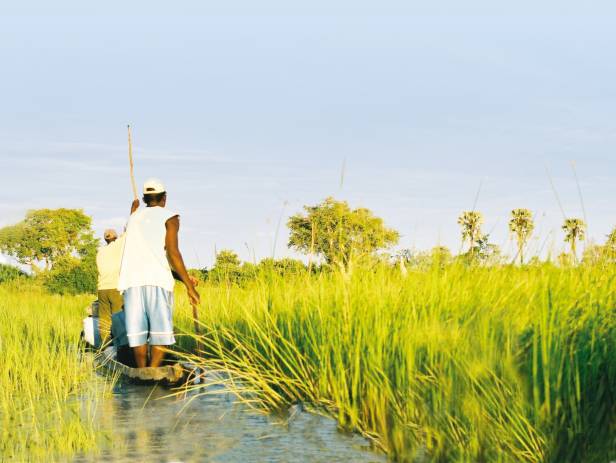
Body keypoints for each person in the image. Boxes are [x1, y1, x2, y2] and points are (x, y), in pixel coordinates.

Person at [117, 178, 200, 367]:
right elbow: (172, 253)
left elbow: (147, 254)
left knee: (137, 334)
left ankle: (141, 372)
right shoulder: (170, 217)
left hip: (132, 282)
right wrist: (189, 287)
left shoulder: (133, 219)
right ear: (164, 198)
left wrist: (133, 211)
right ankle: (153, 371)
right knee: (160, 332)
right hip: (158, 282)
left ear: (146, 199)